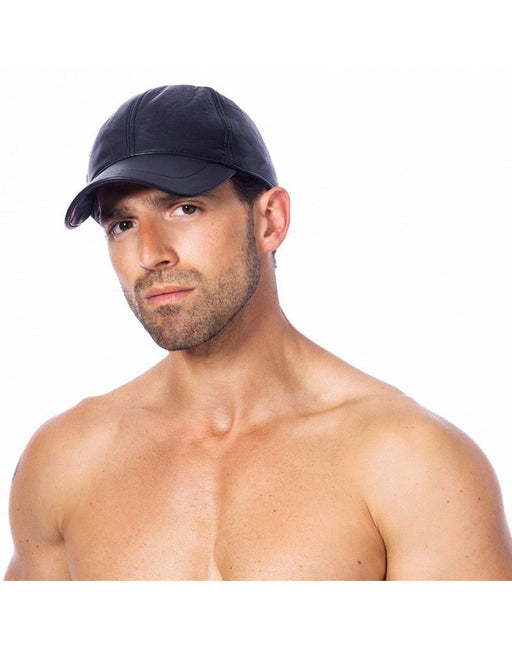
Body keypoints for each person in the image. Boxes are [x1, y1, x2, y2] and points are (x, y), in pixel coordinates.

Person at [5, 84, 512, 580]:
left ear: (270, 220)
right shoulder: (65, 462)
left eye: (184, 208)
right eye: (122, 225)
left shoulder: (412, 462)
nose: (150, 254)